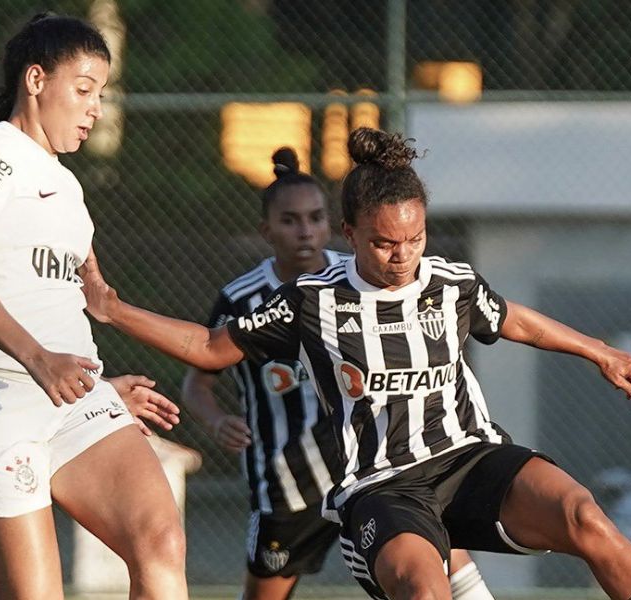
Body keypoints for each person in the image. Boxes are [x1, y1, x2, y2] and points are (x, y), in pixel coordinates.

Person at [82, 128, 631, 600]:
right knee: (425, 590)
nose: (403, 256)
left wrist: (599, 351)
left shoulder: (450, 283)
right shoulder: (311, 300)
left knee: (583, 514)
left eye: (416, 238)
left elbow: (515, 320)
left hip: (469, 457)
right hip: (382, 486)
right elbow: (209, 348)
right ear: (348, 232)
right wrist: (113, 308)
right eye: (383, 242)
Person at [0, 14, 184, 600]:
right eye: (85, 89)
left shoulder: (67, 186)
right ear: (36, 80)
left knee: (161, 542)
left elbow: (64, 299)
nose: (95, 107)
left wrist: (100, 382)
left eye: (102, 94)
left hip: (71, 401)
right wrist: (40, 361)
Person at [182, 149, 494, 600]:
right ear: (266, 230)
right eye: (290, 220)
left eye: (314, 218)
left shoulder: (364, 276)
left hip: (377, 468)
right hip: (292, 483)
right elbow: (199, 379)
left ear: (335, 226)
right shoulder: (241, 299)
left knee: (445, 557)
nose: (305, 230)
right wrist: (214, 421)